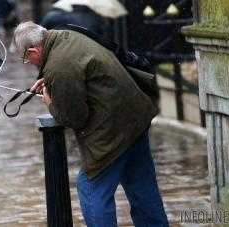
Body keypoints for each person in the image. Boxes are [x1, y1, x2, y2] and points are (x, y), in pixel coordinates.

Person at [13, 21, 169, 227]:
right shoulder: (65, 36)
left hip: (112, 132)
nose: (29, 62)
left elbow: (73, 117)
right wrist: (52, 80)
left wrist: (51, 103)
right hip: (135, 118)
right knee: (141, 186)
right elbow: (78, 70)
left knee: (90, 186)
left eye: (26, 58)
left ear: (33, 50)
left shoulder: (59, 66)